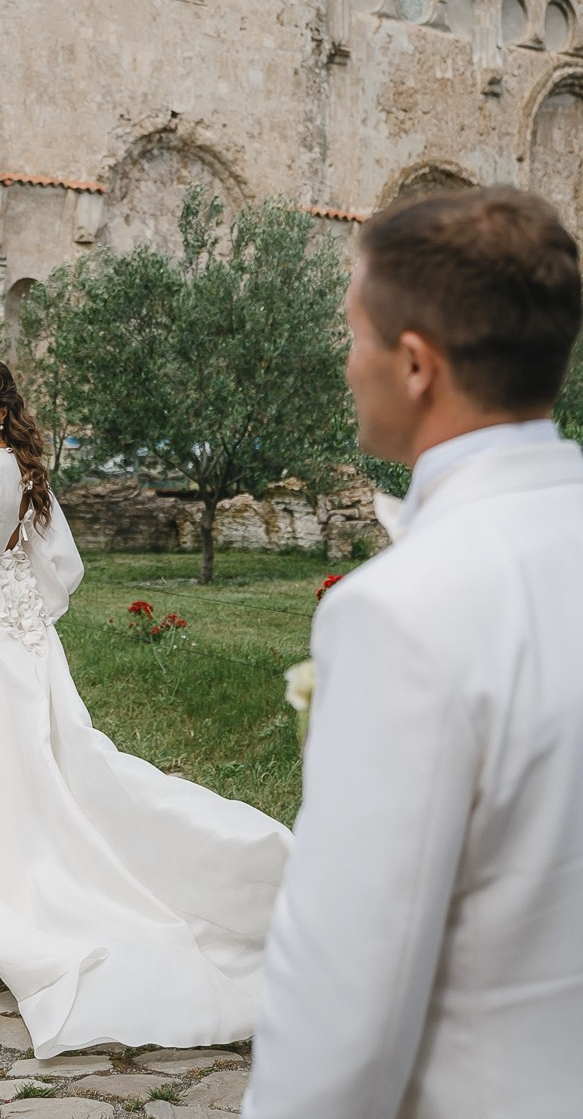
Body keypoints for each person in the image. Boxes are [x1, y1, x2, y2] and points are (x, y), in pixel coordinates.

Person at [243, 186, 583, 1119]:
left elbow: (345, 1004)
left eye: (355, 334)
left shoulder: (400, 614)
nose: (345, 362)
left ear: (416, 365)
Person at [0, 359, 291, 1059]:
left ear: (3, 411)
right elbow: (59, 566)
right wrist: (22, 610)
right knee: (37, 770)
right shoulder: (22, 470)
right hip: (22, 639)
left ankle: (3, 905)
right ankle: (11, 898)